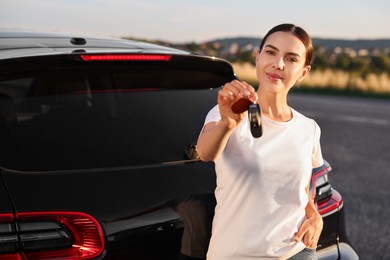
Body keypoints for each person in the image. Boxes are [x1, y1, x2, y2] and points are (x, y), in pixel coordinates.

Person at [197, 23, 324, 260]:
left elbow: (301, 187)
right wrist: (228, 123)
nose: (278, 63)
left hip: (296, 253)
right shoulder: (226, 113)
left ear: (303, 72)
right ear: (258, 58)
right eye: (271, 52)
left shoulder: (309, 129)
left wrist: (313, 214)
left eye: (291, 58)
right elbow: (205, 153)